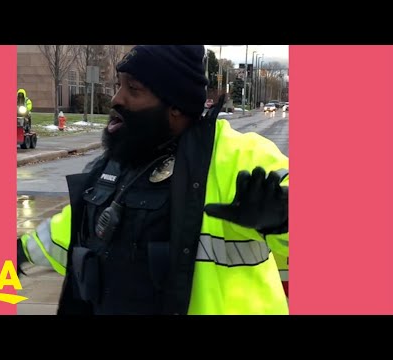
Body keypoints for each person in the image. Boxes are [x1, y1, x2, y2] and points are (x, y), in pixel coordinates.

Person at [17, 45, 289, 315]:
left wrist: (282, 219)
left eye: (133, 89)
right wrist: (21, 251)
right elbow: (84, 225)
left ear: (175, 106)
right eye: (118, 85)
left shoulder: (240, 155)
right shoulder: (129, 154)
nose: (116, 99)